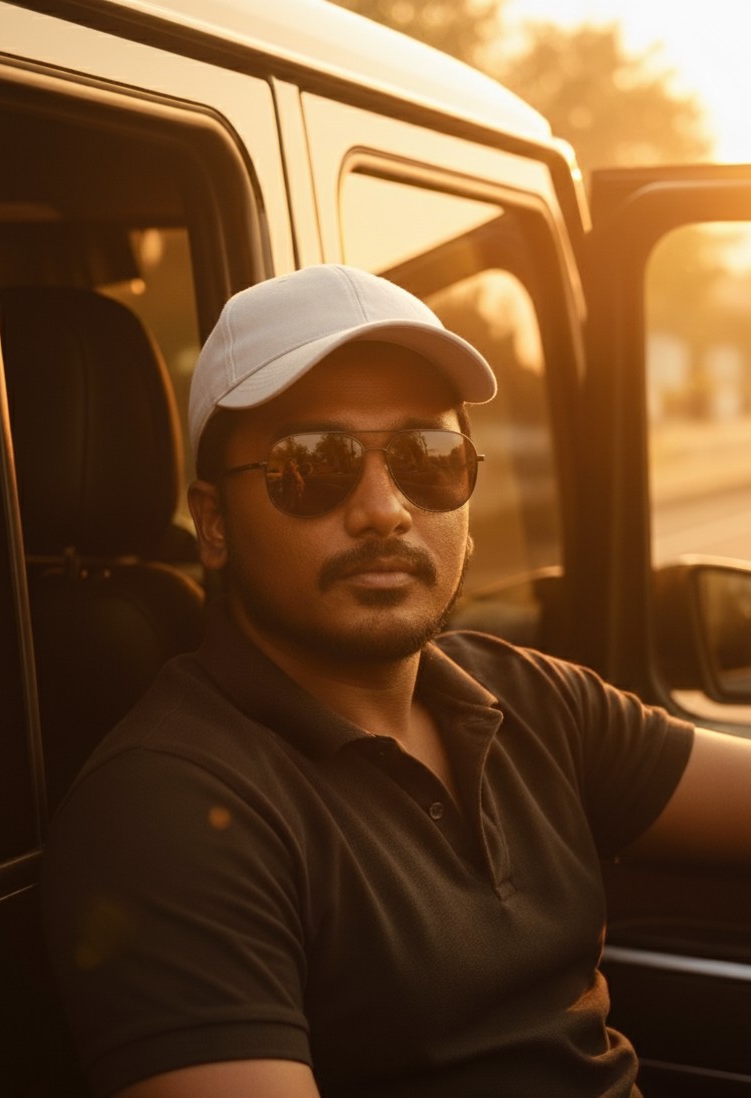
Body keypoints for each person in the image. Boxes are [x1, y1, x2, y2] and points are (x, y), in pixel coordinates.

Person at [42, 265, 751, 1098]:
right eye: (310, 464)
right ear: (213, 523)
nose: (384, 508)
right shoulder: (166, 814)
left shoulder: (523, 697)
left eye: (428, 456)